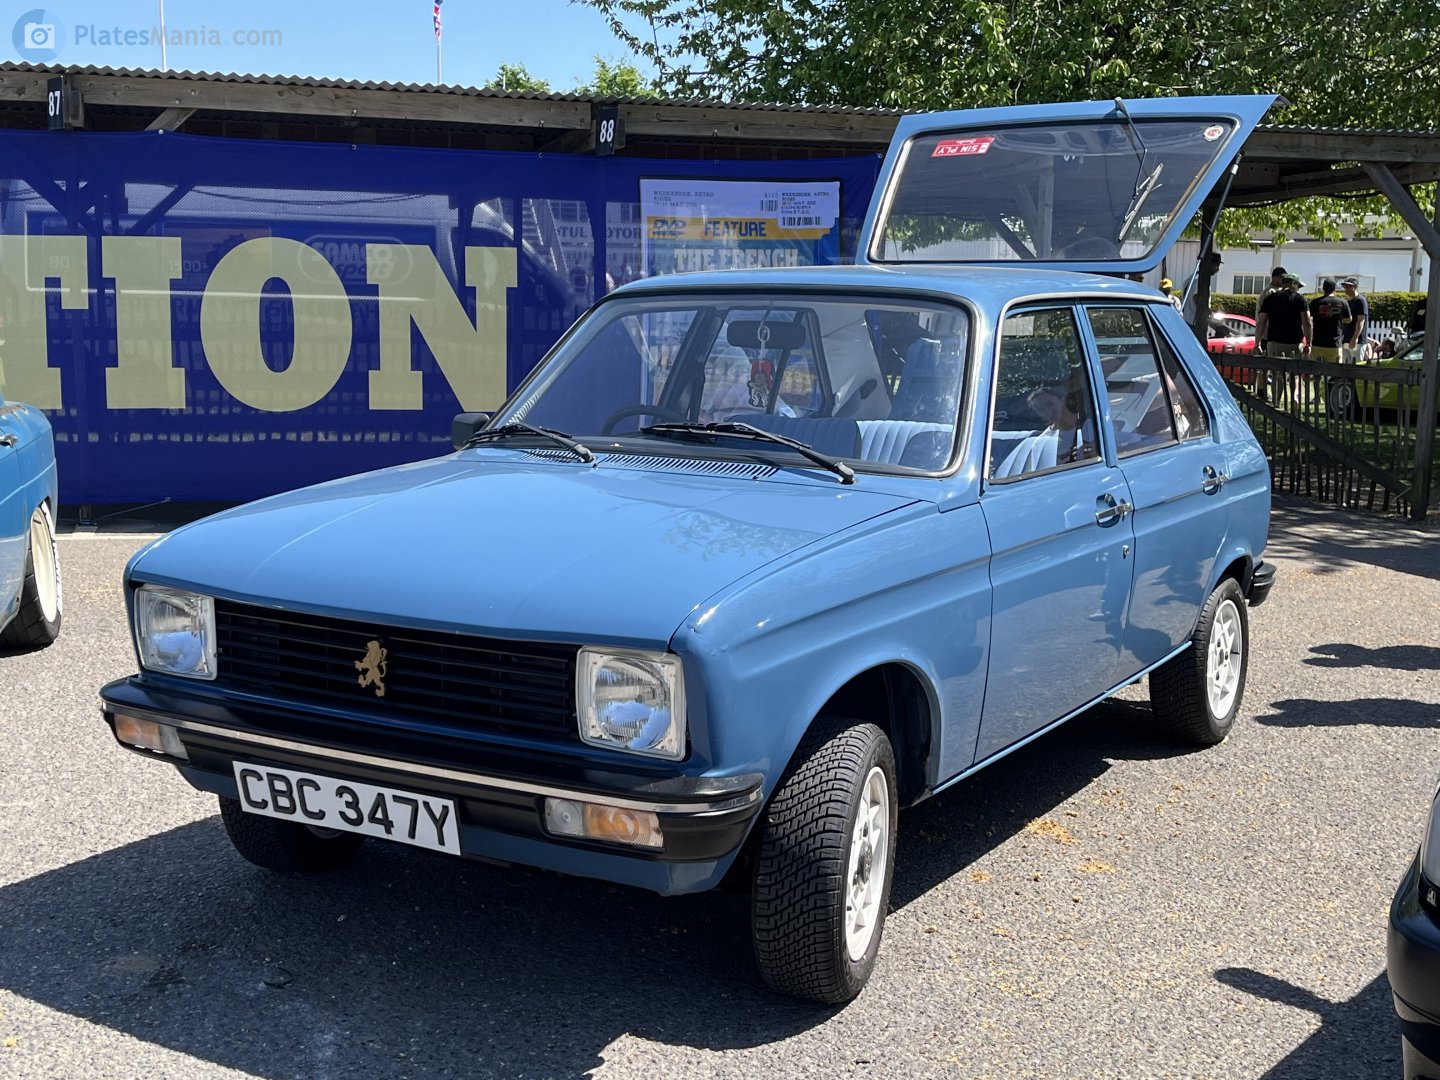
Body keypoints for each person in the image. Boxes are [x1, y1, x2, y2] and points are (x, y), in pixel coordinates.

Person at [1257, 272, 1312, 360]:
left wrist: (1257, 343)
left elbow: (1261, 323)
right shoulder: (1300, 300)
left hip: (1273, 343)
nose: (1298, 289)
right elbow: (1307, 323)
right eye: (1298, 286)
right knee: (1293, 372)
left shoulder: (1269, 299)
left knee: (1275, 371)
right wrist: (1309, 343)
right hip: (1294, 344)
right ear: (1293, 284)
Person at [1307, 278, 1350, 364]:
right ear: (1334, 289)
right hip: (1334, 344)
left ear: (1323, 288)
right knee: (1334, 371)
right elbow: (1349, 319)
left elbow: (1308, 318)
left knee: (1316, 370)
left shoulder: (1315, 303)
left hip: (1318, 342)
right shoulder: (1342, 302)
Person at [1340, 277, 1369, 362]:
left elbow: (1361, 320)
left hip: (1357, 341)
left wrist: (1355, 338)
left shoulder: (1360, 300)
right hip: (1346, 339)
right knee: (1345, 367)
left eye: (1349, 287)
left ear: (1355, 287)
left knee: (1356, 367)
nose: (1346, 289)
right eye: (1345, 287)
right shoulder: (1347, 302)